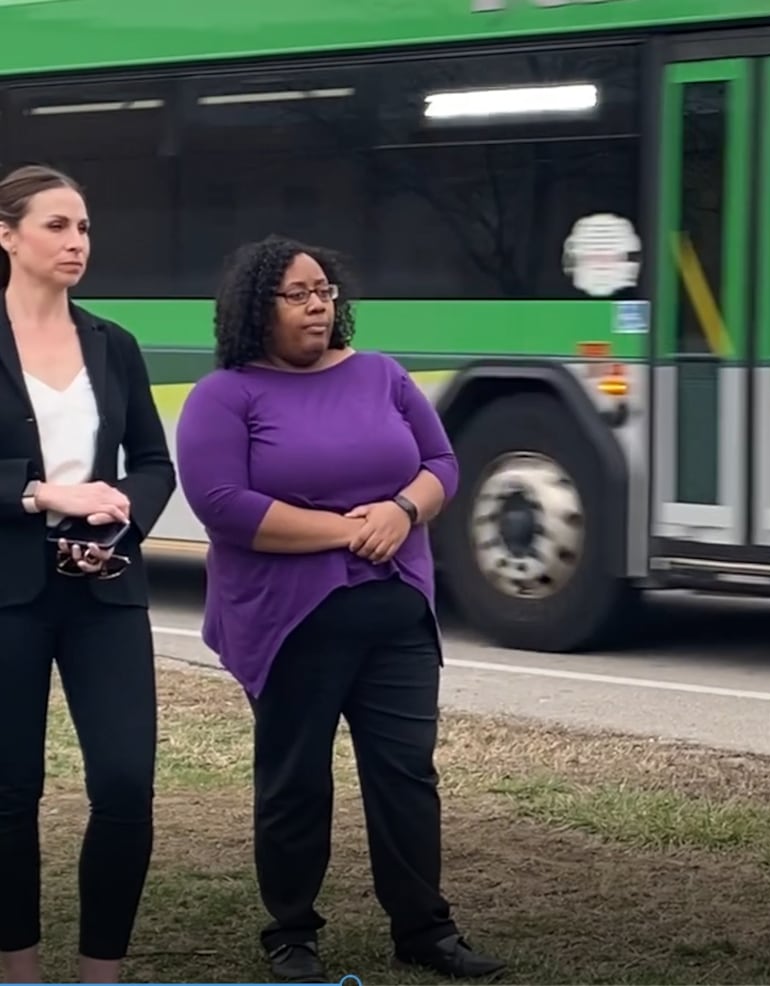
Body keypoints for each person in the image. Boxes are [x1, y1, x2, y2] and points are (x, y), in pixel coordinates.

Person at [173, 235, 504, 983]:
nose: (317, 303)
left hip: (396, 619)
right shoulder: (226, 395)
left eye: (323, 289)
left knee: (406, 776)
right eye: (297, 294)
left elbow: (442, 464)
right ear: (259, 308)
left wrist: (401, 511)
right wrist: (354, 531)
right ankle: (291, 931)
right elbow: (223, 506)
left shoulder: (381, 375)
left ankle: (425, 928)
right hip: (290, 624)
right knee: (295, 780)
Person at [0, 164, 176, 983]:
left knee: (125, 783)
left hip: (105, 588)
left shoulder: (114, 344)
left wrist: (124, 510)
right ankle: (19, 969)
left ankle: (100, 971)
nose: (78, 243)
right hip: (10, 594)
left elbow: (152, 461)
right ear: (7, 235)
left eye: (85, 229)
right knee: (9, 794)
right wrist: (40, 494)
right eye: (58, 226)